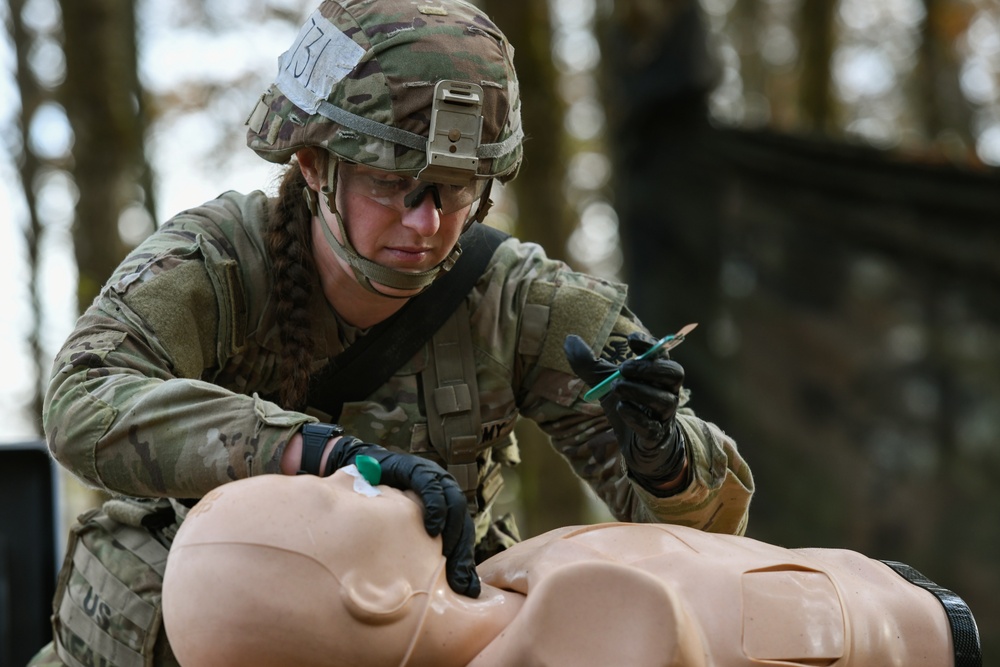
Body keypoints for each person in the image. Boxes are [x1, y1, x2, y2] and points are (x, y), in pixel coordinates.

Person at [30, 0, 753, 664]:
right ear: (313, 165)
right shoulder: (218, 262)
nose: (426, 221)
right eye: (389, 181)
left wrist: (666, 462)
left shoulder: (522, 302)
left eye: (456, 188)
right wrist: (308, 451)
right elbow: (82, 401)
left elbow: (703, 547)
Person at [162, 470, 980, 667]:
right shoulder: (583, 629)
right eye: (328, 494)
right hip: (917, 633)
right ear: (374, 592)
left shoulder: (514, 590)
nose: (351, 470)